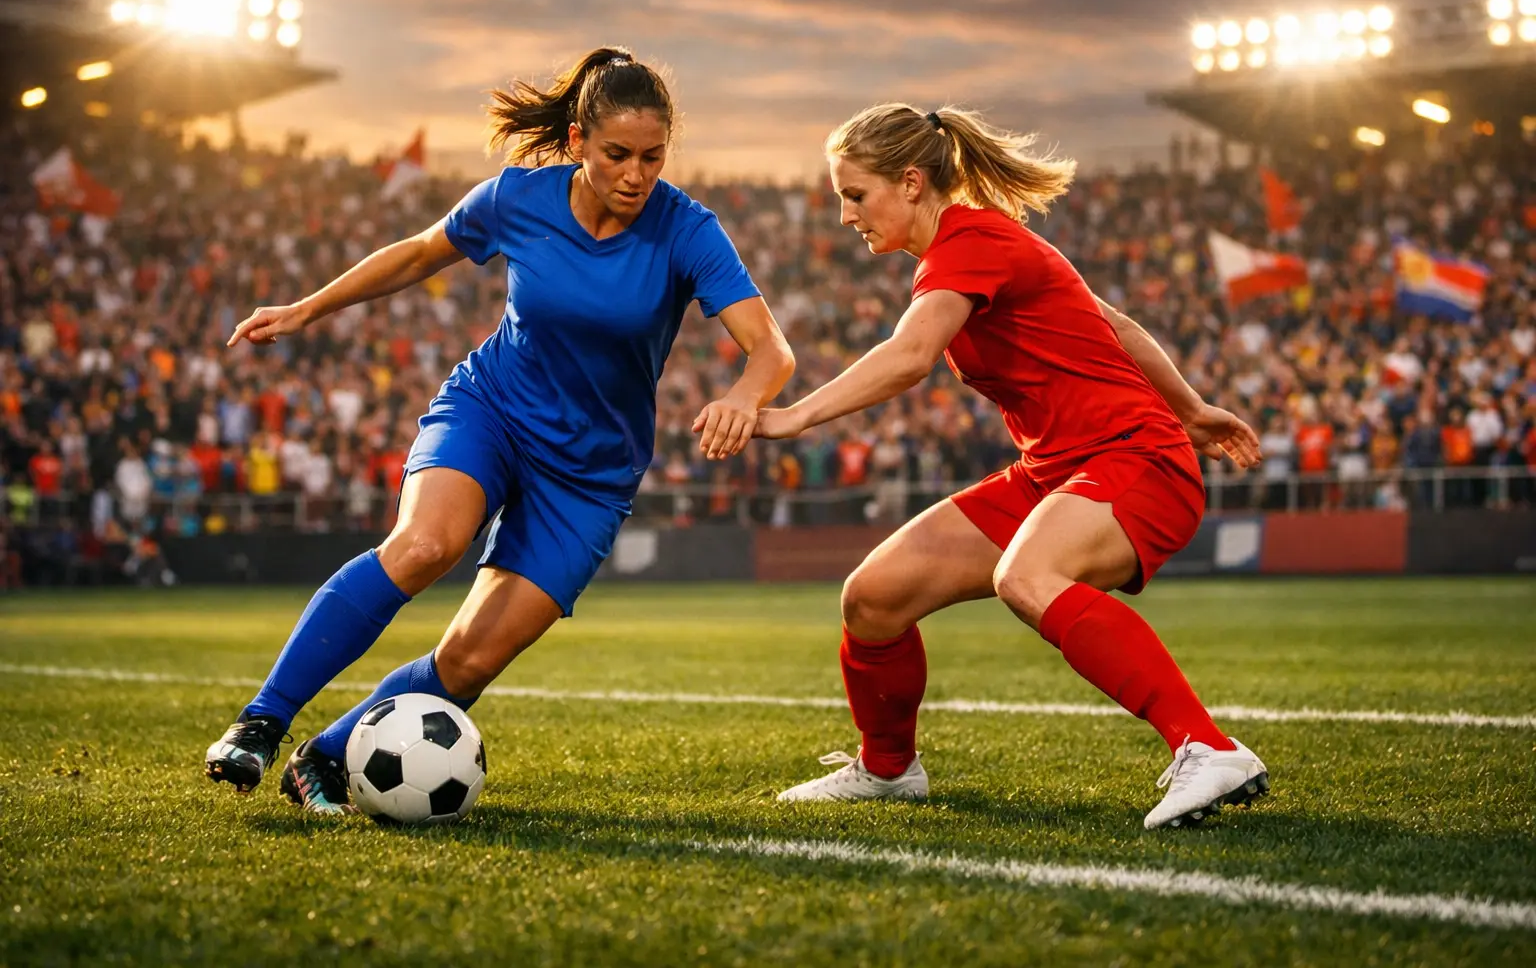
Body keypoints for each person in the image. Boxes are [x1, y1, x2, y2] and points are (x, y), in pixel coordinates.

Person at [205, 47, 794, 813]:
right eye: (617, 154)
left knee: (470, 661)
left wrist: (747, 397)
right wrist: (308, 308)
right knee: (424, 546)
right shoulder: (517, 199)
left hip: (590, 474)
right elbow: (419, 254)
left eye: (653, 157)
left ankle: (327, 755)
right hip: (492, 412)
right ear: (578, 141)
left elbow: (771, 349)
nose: (636, 174)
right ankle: (260, 723)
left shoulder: (687, 229)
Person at [753, 104, 1266, 829]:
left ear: (908, 183)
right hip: (1055, 471)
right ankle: (888, 771)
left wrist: (793, 415)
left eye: (854, 194)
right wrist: (1194, 406)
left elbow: (909, 358)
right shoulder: (977, 246)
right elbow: (1115, 326)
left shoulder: (971, 241)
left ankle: (1207, 748)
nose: (844, 215)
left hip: (1134, 459)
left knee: (1027, 578)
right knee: (873, 598)